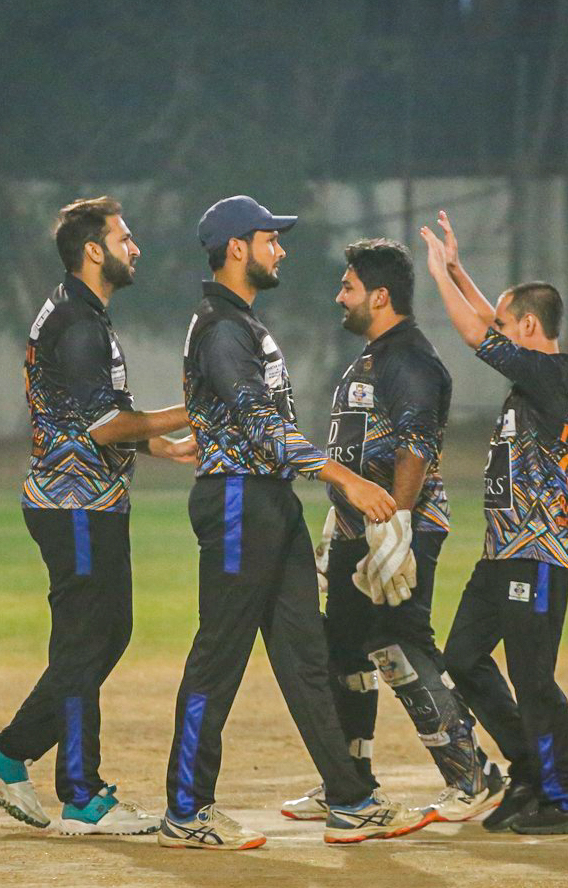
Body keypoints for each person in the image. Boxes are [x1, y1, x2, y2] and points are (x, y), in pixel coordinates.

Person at [158, 196, 436, 850]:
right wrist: (346, 479)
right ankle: (186, 811)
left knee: (306, 656)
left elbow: (244, 421)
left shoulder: (241, 323)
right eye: (269, 239)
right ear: (237, 248)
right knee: (217, 659)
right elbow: (260, 423)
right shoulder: (221, 327)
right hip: (237, 504)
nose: (279, 250)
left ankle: (350, 799)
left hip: (267, 501)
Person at [0, 196, 195, 835]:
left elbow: (85, 413)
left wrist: (161, 444)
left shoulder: (77, 312)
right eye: (124, 238)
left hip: (82, 505)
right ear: (93, 250)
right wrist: (197, 409)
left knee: (97, 639)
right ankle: (62, 784)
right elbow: (102, 424)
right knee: (90, 643)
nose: (135, 248)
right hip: (77, 508)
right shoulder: (80, 323)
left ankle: (40, 770)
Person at [280, 238, 504, 825]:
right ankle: (349, 783)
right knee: (343, 648)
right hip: (360, 530)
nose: (340, 297)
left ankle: (473, 775)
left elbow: (416, 445)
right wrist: (340, 518)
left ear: (380, 296)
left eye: (348, 287)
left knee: (399, 643)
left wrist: (399, 523)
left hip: (399, 530)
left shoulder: (410, 358)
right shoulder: (375, 356)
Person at [419, 211, 568, 835]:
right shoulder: (541, 376)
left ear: (529, 326)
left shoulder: (550, 376)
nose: (498, 330)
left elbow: (479, 335)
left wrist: (437, 277)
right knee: (464, 656)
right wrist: (458, 270)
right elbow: (491, 323)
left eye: (507, 322)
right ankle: (530, 769)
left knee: (533, 677)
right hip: (503, 551)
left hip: (538, 551)